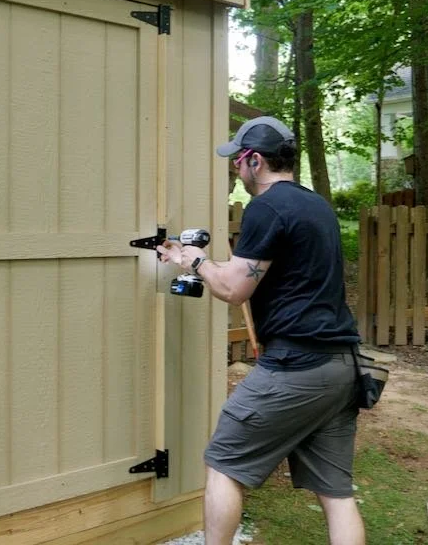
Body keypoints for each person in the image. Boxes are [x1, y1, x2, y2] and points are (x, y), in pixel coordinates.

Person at [157, 117, 366, 545]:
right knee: (335, 493)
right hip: (342, 367)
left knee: (223, 464)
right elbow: (274, 277)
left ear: (255, 160)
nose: (235, 168)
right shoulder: (316, 204)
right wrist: (199, 264)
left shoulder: (267, 207)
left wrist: (193, 259)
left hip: (295, 368)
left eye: (238, 160)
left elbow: (234, 288)